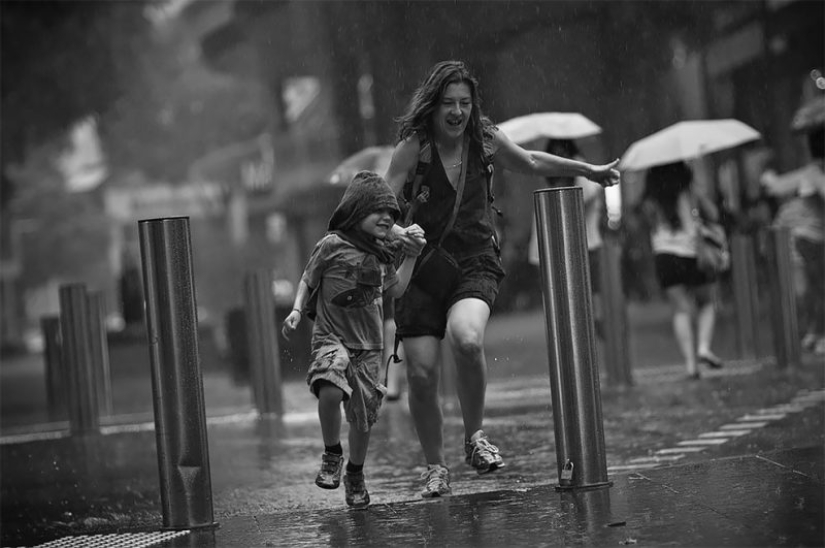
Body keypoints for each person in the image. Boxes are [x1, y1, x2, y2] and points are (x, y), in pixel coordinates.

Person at [383, 60, 620, 498]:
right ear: (433, 107)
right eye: (449, 104)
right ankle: (435, 467)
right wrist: (395, 231)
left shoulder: (484, 139)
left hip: (473, 260)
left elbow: (530, 160)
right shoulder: (414, 148)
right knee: (419, 373)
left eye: (465, 103)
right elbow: (380, 203)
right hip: (419, 267)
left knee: (467, 339)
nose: (458, 112)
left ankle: (474, 437)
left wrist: (588, 172)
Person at [281, 170, 426, 509]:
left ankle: (355, 474)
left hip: (369, 349)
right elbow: (308, 278)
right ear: (357, 211)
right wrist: (297, 310)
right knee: (329, 385)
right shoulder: (331, 245)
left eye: (392, 215)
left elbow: (397, 289)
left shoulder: (381, 254)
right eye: (379, 212)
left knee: (362, 419)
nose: (387, 219)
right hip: (331, 337)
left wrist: (414, 256)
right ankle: (332, 453)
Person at [641, 161, 724, 380]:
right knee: (706, 302)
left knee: (680, 309)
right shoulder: (688, 190)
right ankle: (703, 347)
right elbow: (713, 214)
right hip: (691, 254)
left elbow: (649, 223)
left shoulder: (650, 198)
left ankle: (690, 365)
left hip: (665, 256)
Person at [528, 138, 605, 337]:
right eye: (556, 155)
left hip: (586, 247)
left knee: (591, 304)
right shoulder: (549, 183)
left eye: (563, 154)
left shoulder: (583, 178)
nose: (560, 158)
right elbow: (541, 224)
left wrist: (576, 165)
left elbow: (587, 196)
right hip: (555, 252)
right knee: (564, 308)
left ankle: (592, 333)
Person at [762, 126, 825, 356]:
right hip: (811, 239)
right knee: (815, 288)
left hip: (808, 238)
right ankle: (817, 334)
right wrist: (769, 178)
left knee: (814, 288)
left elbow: (777, 186)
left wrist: (769, 179)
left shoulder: (812, 172)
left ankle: (815, 332)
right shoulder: (814, 172)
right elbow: (778, 186)